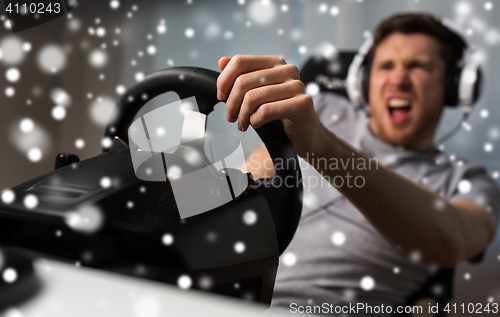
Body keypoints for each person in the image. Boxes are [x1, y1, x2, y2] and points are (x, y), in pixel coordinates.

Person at [216, 13, 499, 315]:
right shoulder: (319, 109)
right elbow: (234, 198)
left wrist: (320, 145)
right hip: (218, 296)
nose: (398, 79)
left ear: (455, 87)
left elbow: (451, 243)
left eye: (419, 66)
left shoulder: (467, 180)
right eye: (385, 66)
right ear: (362, 81)